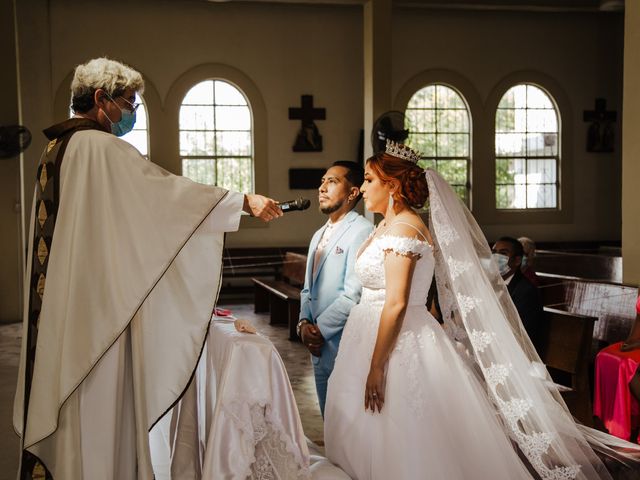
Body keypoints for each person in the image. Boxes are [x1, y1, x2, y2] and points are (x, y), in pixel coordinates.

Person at [13, 57, 282, 480]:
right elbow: (163, 195)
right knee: (99, 412)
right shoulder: (100, 148)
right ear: (101, 99)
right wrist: (241, 201)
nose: (131, 114)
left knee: (72, 413)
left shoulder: (57, 149)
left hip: (69, 305)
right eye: (128, 103)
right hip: (99, 315)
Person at [324, 140, 638, 480]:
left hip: (396, 345)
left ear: (393, 185)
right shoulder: (384, 226)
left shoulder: (404, 229)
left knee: (401, 434)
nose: (364, 187)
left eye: (370, 179)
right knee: (362, 429)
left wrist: (376, 366)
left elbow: (397, 302)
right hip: (366, 332)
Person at [297, 161, 372, 416]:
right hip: (316, 348)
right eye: (322, 181)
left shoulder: (362, 231)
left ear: (353, 193)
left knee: (348, 426)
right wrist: (303, 325)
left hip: (342, 344)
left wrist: (319, 330)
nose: (322, 187)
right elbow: (307, 289)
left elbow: (354, 294)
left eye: (332, 181)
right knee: (328, 423)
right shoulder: (317, 235)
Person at [492, 236, 545, 354]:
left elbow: (523, 334)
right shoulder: (490, 284)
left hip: (514, 352)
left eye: (503, 253)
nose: (496, 257)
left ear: (517, 260)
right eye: (494, 252)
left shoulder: (526, 291)